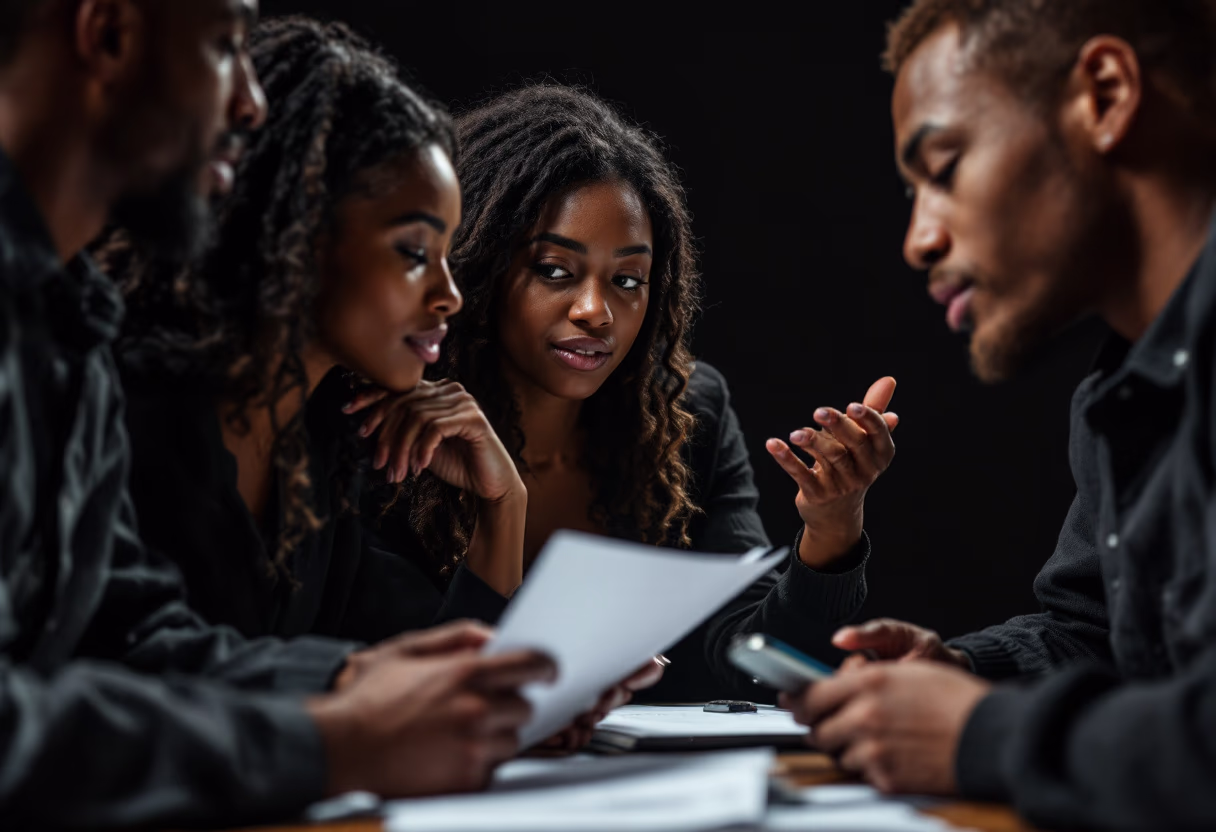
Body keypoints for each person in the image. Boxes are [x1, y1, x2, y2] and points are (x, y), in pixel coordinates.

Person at [0, 1, 563, 826]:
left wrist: (370, 690)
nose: (250, 105)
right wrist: (328, 737)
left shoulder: (68, 326)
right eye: (225, 46)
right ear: (110, 33)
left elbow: (133, 635)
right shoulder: (121, 376)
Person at [781, 1, 1216, 829]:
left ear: (1107, 95)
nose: (917, 240)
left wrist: (983, 733)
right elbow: (1099, 636)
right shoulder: (1118, 393)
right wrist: (961, 671)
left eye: (943, 167)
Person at [357, 84, 901, 701]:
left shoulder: (685, 415)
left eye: (627, 280)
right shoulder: (392, 430)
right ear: (476, 268)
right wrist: (499, 512)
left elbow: (756, 664)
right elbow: (419, 699)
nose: (597, 312)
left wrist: (831, 529)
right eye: (554, 271)